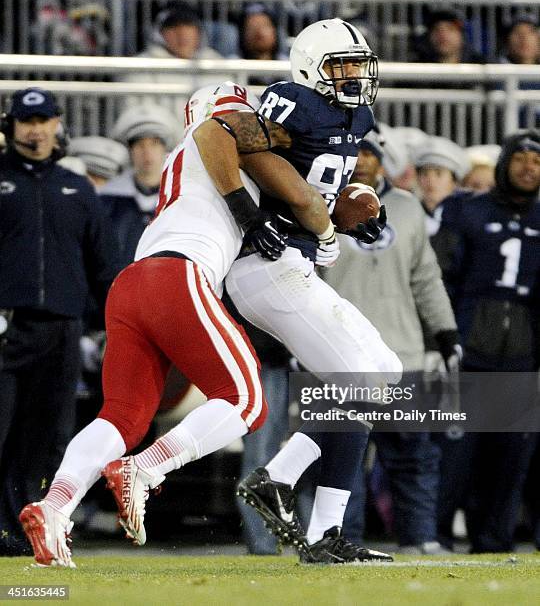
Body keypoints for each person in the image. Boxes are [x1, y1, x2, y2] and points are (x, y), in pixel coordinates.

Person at [18, 81, 335, 568]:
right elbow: (268, 169)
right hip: (180, 276)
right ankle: (144, 470)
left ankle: (55, 505)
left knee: (120, 417)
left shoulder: (185, 160)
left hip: (134, 284)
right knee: (247, 403)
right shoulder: (223, 137)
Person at [217, 19, 400, 564]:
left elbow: (323, 178)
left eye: (357, 66)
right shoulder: (291, 101)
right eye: (338, 65)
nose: (350, 76)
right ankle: (294, 500)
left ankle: (296, 499)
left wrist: (355, 201)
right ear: (308, 68)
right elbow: (240, 148)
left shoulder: (357, 114)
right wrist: (252, 214)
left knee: (384, 374)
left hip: (298, 263)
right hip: (266, 263)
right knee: (363, 379)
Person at [321, 130, 459, 554]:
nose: (361, 159)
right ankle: (346, 540)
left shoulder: (407, 208)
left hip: (403, 354)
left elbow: (425, 278)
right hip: (340, 354)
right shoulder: (320, 207)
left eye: (368, 152)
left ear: (383, 161)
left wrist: (446, 331)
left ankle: (420, 538)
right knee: (345, 457)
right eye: (353, 152)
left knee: (412, 455)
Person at [0, 88, 120, 556]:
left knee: (49, 436)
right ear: (11, 127)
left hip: (63, 331)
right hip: (7, 328)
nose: (35, 130)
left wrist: (115, 324)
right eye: (27, 121)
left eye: (44, 120)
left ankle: (25, 530)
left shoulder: (77, 188)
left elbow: (105, 264)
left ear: (57, 125)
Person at [432, 131, 540, 552]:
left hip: (522, 359)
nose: (529, 167)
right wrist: (444, 337)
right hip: (468, 354)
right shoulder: (466, 211)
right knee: (456, 459)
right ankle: (435, 540)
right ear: (503, 164)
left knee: (509, 461)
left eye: (536, 160)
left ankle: (494, 544)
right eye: (521, 158)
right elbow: (439, 276)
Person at [121, 1, 228, 122]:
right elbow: (137, 119)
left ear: (199, 31)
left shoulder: (218, 64)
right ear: (159, 33)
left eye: (188, 25)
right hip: (162, 138)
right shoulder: (140, 67)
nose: (182, 33)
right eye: (172, 26)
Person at [102, 105, 179, 270]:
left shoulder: (180, 198)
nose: (147, 152)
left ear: (165, 148)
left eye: (154, 143)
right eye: (139, 145)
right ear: (130, 150)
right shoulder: (108, 199)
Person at [413, 136, 470, 237]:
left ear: (454, 181)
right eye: (425, 173)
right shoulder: (411, 213)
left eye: (438, 173)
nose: (431, 180)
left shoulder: (467, 216)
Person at [237, 3, 288, 86]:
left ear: (274, 31)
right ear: (243, 34)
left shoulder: (288, 65)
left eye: (264, 26)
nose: (259, 33)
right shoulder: (234, 65)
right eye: (252, 27)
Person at [414, 7, 486, 65]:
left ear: (462, 35)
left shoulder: (479, 66)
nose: (442, 35)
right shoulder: (417, 68)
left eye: (450, 29)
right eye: (436, 29)